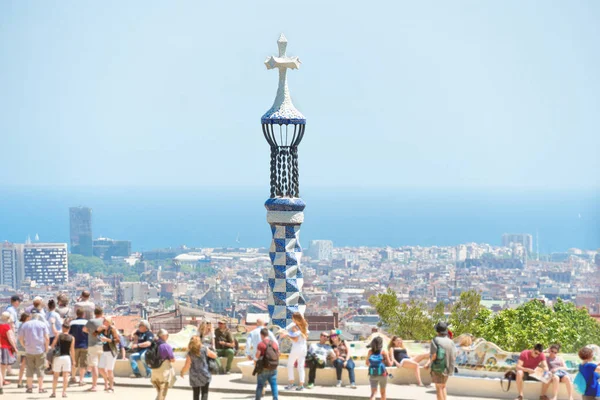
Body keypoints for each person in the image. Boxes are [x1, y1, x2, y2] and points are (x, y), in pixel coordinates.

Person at [18, 312, 49, 394]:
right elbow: (47, 338)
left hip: (29, 350)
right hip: (40, 350)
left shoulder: (25, 325)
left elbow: (20, 338)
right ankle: (40, 388)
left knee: (29, 369)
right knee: (40, 369)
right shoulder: (42, 324)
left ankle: (30, 388)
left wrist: (24, 345)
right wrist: (46, 348)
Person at [181, 336, 217, 400]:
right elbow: (214, 356)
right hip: (205, 374)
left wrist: (182, 372)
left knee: (196, 393)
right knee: (204, 392)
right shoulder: (204, 349)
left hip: (194, 376)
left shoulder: (190, 353)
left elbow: (187, 365)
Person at [280, 312, 309, 391]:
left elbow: (295, 339)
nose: (292, 320)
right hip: (304, 347)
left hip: (297, 347)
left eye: (293, 318)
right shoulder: (305, 326)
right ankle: (301, 385)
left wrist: (287, 335)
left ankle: (291, 383)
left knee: (290, 365)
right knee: (300, 366)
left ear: (295, 319)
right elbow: (306, 337)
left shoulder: (295, 327)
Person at [430, 322, 457, 400]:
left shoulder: (435, 340)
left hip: (438, 367)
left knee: (438, 387)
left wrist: (430, 363)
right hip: (449, 367)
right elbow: (454, 356)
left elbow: (434, 355)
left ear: (437, 331)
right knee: (443, 386)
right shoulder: (451, 341)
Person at [50, 321, 74, 399]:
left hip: (58, 357)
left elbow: (52, 345)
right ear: (69, 328)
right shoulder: (72, 338)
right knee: (65, 376)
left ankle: (54, 392)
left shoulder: (58, 335)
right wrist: (74, 360)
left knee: (56, 376)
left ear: (63, 328)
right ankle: (64, 392)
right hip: (67, 357)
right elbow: (72, 350)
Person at [83, 307, 104, 392]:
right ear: (102, 313)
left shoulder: (91, 321)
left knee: (94, 366)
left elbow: (84, 329)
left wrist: (90, 333)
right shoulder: (104, 321)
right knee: (103, 365)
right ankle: (107, 384)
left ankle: (94, 386)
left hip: (92, 345)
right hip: (103, 345)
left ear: (95, 313)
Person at [150, 329, 176, 400]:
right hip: (163, 372)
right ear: (163, 336)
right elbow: (172, 360)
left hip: (154, 371)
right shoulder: (166, 346)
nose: (168, 336)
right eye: (167, 335)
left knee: (159, 393)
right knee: (163, 392)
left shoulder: (153, 345)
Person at [255, 328, 279, 400]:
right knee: (274, 384)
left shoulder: (261, 344)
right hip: (273, 367)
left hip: (264, 368)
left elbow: (257, 356)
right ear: (268, 334)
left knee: (260, 385)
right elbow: (278, 354)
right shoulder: (274, 344)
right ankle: (275, 398)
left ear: (261, 335)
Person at [98, 316, 120, 393]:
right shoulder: (102, 330)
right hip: (105, 351)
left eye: (107, 321)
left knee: (110, 370)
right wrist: (98, 329)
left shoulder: (112, 329)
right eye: (104, 321)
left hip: (111, 351)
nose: (105, 323)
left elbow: (117, 340)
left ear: (110, 322)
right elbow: (94, 334)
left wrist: (107, 340)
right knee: (100, 368)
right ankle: (108, 380)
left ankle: (111, 387)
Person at [68, 308, 88, 385]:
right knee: (83, 364)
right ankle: (81, 380)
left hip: (74, 345)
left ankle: (73, 377)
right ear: (84, 314)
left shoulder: (72, 323)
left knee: (74, 362)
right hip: (84, 345)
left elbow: (70, 334)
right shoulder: (87, 322)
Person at [0, 312, 17, 391]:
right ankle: (2, 381)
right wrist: (15, 348)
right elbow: (10, 338)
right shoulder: (6, 327)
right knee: (3, 367)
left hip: (1, 346)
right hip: (5, 348)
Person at [46, 299, 63, 372]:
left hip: (48, 335)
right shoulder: (56, 315)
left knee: (49, 352)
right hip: (55, 335)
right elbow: (60, 324)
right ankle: (56, 367)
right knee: (56, 352)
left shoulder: (46, 314)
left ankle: (50, 366)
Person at [16, 313, 31, 389]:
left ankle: (20, 382)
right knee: (25, 365)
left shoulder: (20, 325)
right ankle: (25, 383)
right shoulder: (26, 326)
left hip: (20, 347)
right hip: (25, 347)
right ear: (27, 318)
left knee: (22, 365)